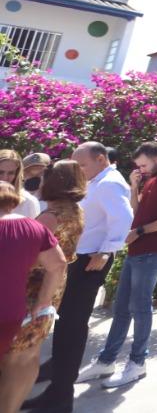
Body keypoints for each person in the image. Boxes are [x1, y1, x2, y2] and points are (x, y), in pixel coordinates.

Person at [26, 143, 133, 412]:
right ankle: (57, 381)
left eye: (83, 165)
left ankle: (61, 396)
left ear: (100, 159)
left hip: (89, 261)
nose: (80, 171)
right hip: (79, 258)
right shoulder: (98, 180)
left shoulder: (109, 182)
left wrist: (107, 251)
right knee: (66, 325)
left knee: (72, 326)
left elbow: (124, 217)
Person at [80, 142, 157, 389]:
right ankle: (106, 361)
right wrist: (135, 186)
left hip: (152, 251)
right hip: (137, 249)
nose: (142, 169)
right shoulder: (151, 180)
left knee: (140, 307)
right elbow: (134, 212)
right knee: (121, 307)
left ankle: (137, 363)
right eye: (139, 166)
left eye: (144, 165)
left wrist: (140, 231)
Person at [0, 162, 84, 413]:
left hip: (30, 291)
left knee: (17, 358)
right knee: (29, 354)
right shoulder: (74, 210)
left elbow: (30, 256)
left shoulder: (48, 216)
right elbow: (59, 262)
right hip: (49, 291)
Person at [0, 152, 40, 219]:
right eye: (0, 172)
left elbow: (35, 229)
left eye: (11, 173)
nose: (5, 178)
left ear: (17, 174)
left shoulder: (29, 202)